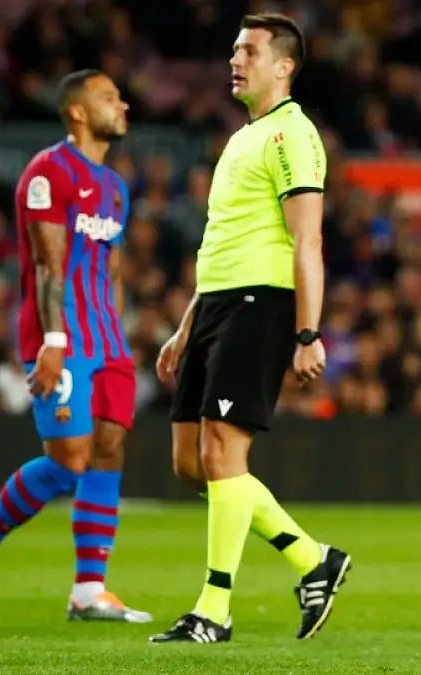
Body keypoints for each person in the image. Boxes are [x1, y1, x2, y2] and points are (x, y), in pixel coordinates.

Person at [148, 13, 348, 644]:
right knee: (191, 462)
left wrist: (308, 333)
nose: (235, 59)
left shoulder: (293, 135)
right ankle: (312, 560)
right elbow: (221, 240)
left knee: (222, 453)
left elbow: (307, 236)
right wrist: (186, 326)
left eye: (249, 50)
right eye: (235, 49)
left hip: (261, 302)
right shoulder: (244, 136)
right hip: (214, 305)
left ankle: (213, 609)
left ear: (283, 65)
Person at [0, 69, 150, 623]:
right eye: (110, 98)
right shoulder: (48, 173)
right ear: (79, 112)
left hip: (106, 338)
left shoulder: (114, 187)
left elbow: (107, 266)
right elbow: (46, 265)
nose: (123, 104)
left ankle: (89, 591)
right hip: (60, 336)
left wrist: (121, 329)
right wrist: (55, 341)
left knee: (109, 448)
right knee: (68, 460)